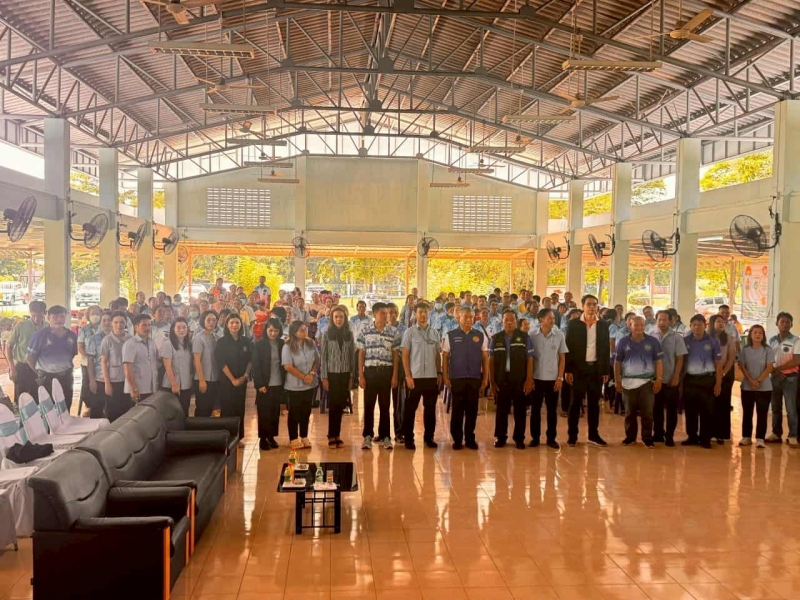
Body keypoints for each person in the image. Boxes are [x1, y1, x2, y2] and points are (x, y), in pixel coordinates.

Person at [564, 294, 611, 448]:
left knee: (594, 404)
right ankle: (572, 436)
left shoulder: (603, 325)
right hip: (578, 369)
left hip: (596, 369)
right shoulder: (574, 324)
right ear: (582, 306)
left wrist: (605, 370)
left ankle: (593, 435)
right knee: (575, 403)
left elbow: (605, 348)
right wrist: (568, 370)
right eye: (589, 304)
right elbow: (568, 347)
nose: (592, 307)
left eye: (594, 304)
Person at [442, 307, 489, 450]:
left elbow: (485, 358)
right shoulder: (450, 335)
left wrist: (485, 378)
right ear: (459, 318)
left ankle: (469, 438)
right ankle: (457, 439)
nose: (468, 320)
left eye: (471, 317)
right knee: (457, 410)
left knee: (472, 410)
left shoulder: (480, 335)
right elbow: (445, 357)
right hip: (457, 378)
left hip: (474, 378)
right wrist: (445, 376)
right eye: (465, 317)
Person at [357, 302, 400, 450]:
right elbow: (361, 353)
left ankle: (385, 436)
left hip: (386, 372)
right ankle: (367, 436)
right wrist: (361, 375)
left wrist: (394, 375)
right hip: (370, 372)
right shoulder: (365, 330)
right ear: (375, 314)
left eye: (387, 313)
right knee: (368, 406)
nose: (386, 315)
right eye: (383, 313)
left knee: (385, 406)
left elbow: (395, 354)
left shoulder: (393, 332)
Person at [614, 316, 663, 449]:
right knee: (629, 412)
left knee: (647, 412)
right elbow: (617, 362)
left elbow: (658, 362)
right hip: (628, 382)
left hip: (647, 382)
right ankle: (630, 437)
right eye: (636, 325)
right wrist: (617, 380)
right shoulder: (623, 342)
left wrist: (659, 379)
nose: (639, 328)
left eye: (642, 325)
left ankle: (647, 438)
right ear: (630, 326)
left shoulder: (652, 341)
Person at [490, 310, 534, 449]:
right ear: (502, 322)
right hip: (501, 380)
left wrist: (529, 379)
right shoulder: (496, 338)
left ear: (516, 321)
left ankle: (519, 438)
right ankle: (500, 437)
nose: (509, 322)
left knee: (520, 410)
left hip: (519, 379)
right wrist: (492, 381)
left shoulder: (525, 337)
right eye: (506, 320)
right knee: (501, 410)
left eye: (512, 320)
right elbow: (491, 361)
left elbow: (530, 359)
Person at [401, 302, 442, 450]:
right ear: (415, 314)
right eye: (420, 312)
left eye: (425, 312)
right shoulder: (409, 333)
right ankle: (408, 439)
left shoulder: (434, 333)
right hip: (415, 378)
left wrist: (439, 372)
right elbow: (405, 355)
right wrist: (408, 375)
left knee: (430, 410)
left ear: (428, 313)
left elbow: (437, 355)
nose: (423, 315)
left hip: (431, 377)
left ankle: (429, 438)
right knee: (410, 409)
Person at [682, 314, 722, 449]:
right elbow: (681, 361)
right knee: (690, 410)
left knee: (707, 410)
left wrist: (718, 383)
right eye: (694, 325)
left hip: (707, 379)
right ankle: (692, 436)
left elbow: (718, 364)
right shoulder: (685, 341)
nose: (697, 327)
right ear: (690, 326)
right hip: (690, 379)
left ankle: (705, 438)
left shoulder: (712, 341)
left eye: (700, 324)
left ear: (705, 326)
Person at [529, 308, 567, 449]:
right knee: (535, 410)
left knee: (552, 411)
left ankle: (551, 438)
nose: (552, 320)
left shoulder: (559, 335)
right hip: (536, 378)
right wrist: (529, 378)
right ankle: (535, 438)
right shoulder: (532, 335)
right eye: (549, 318)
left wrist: (560, 378)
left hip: (553, 379)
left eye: (553, 318)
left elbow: (562, 357)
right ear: (541, 319)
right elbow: (529, 358)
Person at [27, 305, 78, 410]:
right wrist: (39, 373)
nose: (59, 320)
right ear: (48, 317)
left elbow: (72, 354)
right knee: (48, 410)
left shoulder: (72, 336)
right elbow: (30, 358)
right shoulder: (39, 336)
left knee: (66, 406)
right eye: (55, 317)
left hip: (66, 377)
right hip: (46, 378)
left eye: (62, 316)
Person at [320, 306, 355, 449]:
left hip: (345, 374)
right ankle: (331, 435)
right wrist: (324, 377)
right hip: (332, 374)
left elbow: (352, 356)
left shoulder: (349, 335)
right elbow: (323, 357)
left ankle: (338, 435)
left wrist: (352, 376)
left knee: (340, 406)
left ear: (345, 318)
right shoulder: (326, 334)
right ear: (332, 319)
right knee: (333, 405)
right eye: (336, 317)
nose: (338, 319)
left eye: (341, 317)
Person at [651, 310, 687, 446]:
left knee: (672, 410)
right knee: (656, 409)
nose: (662, 322)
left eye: (665, 319)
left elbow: (680, 358)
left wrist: (676, 376)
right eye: (659, 319)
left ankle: (669, 436)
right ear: (656, 320)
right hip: (655, 379)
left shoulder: (677, 337)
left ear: (670, 321)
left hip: (670, 378)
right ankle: (658, 434)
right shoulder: (650, 336)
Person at [282, 321, 319, 450]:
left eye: (305, 329)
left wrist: (312, 374)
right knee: (294, 412)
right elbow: (288, 366)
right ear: (294, 332)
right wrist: (304, 377)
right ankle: (293, 438)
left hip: (310, 384)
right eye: (301, 330)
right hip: (294, 385)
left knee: (306, 411)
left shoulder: (311, 343)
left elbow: (317, 360)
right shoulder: (287, 346)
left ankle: (304, 436)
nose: (304, 331)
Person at [216, 313, 252, 442]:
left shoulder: (246, 341)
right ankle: (226, 437)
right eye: (232, 322)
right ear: (227, 324)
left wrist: (245, 376)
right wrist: (233, 380)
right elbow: (221, 362)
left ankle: (238, 437)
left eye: (237, 322)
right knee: (226, 409)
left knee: (239, 409)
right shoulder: (222, 342)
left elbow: (250, 360)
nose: (234, 325)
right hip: (226, 381)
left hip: (242, 380)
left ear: (241, 324)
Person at [767, 312, 800, 446]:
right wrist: (773, 371)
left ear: (791, 324)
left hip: (790, 378)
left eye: (787, 322)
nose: (785, 324)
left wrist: (778, 369)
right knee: (775, 408)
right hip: (774, 378)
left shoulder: (796, 340)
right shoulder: (771, 340)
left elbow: (797, 360)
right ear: (777, 324)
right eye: (782, 322)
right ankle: (776, 433)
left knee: (791, 409)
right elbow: (768, 358)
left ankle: (793, 435)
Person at [738, 325, 774, 449]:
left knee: (762, 413)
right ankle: (746, 437)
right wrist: (750, 380)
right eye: (755, 332)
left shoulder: (768, 349)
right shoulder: (745, 350)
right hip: (747, 387)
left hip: (764, 388)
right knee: (747, 413)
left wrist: (757, 381)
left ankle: (760, 438)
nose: (758, 335)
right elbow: (742, 366)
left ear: (763, 336)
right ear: (751, 335)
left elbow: (769, 367)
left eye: (760, 333)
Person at [252, 318, 285, 451]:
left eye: (276, 331)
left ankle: (271, 437)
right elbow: (256, 366)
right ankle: (263, 438)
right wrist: (259, 384)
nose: (273, 333)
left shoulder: (282, 344)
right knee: (263, 412)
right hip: (264, 384)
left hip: (278, 383)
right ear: (266, 330)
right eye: (270, 330)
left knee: (274, 412)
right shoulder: (259, 345)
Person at [6, 300, 46, 402]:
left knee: (40, 398)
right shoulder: (21, 326)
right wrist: (12, 367)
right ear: (30, 313)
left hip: (41, 368)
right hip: (23, 368)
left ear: (44, 313)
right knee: (21, 399)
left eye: (39, 315)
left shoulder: (48, 327)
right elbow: (8, 346)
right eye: (34, 315)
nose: (36, 318)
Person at [100, 311, 132, 421]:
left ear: (126, 323)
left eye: (122, 322)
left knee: (128, 410)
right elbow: (104, 362)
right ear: (112, 323)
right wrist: (107, 383)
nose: (119, 325)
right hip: (114, 381)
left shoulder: (131, 339)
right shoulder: (107, 340)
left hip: (128, 380)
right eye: (116, 322)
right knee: (114, 411)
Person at [708, 314, 736, 444]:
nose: (721, 324)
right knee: (709, 404)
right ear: (711, 323)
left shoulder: (729, 338)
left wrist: (722, 373)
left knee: (723, 405)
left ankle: (721, 434)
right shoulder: (706, 337)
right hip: (709, 374)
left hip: (725, 374)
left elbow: (731, 359)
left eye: (723, 322)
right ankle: (708, 433)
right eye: (718, 321)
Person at [122, 314, 159, 406]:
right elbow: (127, 368)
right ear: (136, 327)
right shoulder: (130, 344)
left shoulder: (152, 342)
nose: (147, 328)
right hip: (138, 389)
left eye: (149, 325)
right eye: (144, 325)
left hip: (151, 387)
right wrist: (133, 388)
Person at [160, 317, 194, 416]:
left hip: (186, 383)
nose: (182, 330)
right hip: (171, 384)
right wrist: (174, 384)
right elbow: (167, 367)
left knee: (184, 411)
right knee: (172, 413)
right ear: (173, 329)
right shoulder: (168, 344)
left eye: (184, 327)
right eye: (178, 327)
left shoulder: (189, 344)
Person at [85, 310, 112, 418]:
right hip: (99, 379)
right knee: (97, 410)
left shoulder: (121, 338)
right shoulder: (94, 339)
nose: (106, 323)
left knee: (113, 411)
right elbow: (90, 361)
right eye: (104, 320)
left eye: (109, 320)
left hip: (115, 379)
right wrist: (92, 380)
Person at [193, 310, 220, 418]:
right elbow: (196, 360)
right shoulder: (198, 338)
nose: (211, 322)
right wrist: (202, 380)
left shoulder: (217, 337)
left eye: (214, 320)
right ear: (203, 321)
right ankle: (199, 429)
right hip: (203, 379)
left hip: (215, 379)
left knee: (212, 408)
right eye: (208, 320)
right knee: (202, 409)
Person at [77, 305, 103, 415]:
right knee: (87, 385)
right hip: (87, 362)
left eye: (97, 313)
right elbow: (80, 346)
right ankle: (89, 406)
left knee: (99, 385)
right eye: (93, 314)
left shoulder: (104, 328)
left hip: (101, 363)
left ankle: (100, 407)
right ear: (88, 316)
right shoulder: (84, 329)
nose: (95, 316)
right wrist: (89, 357)